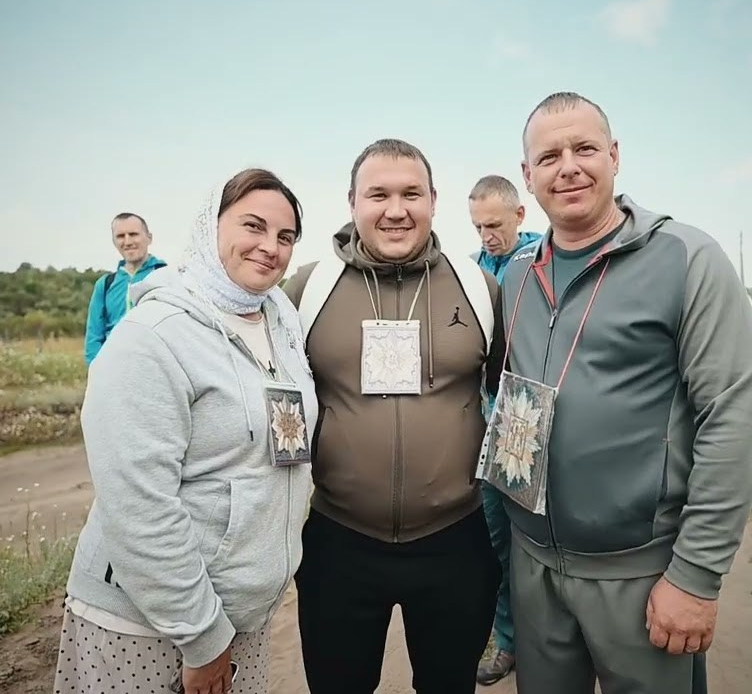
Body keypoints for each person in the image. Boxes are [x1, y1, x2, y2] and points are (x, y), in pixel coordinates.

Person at [485, 92, 752, 694]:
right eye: (549, 156)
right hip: (534, 568)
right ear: (527, 175)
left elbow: (735, 421)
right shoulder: (517, 276)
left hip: (640, 575)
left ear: (614, 156)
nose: (568, 167)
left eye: (585, 149)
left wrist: (696, 576)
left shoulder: (687, 258)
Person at [56, 169, 316, 694]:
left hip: (237, 619)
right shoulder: (152, 337)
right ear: (209, 227)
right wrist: (200, 635)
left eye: (285, 236)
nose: (270, 247)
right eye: (253, 226)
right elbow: (139, 506)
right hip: (151, 625)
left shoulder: (280, 323)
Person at [281, 138, 506, 694]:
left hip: (455, 539)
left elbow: (507, 395)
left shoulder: (479, 288)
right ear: (352, 202)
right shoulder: (305, 290)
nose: (396, 210)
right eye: (378, 194)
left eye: (411, 194)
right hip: (340, 539)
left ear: (434, 200)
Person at [466, 174, 543, 686]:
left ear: (520, 215)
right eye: (477, 226)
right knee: (493, 542)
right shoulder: (470, 271)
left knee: (539, 544)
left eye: (494, 225)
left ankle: (552, 645)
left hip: (534, 423)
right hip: (487, 423)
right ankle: (509, 642)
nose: (486, 235)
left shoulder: (545, 261)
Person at [84, 212, 167, 365]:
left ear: (149, 238)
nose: (127, 242)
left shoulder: (166, 276)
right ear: (114, 241)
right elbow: (94, 336)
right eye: (120, 236)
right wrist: (96, 370)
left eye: (133, 234)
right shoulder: (105, 284)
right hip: (115, 366)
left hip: (156, 365)